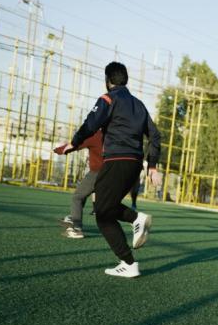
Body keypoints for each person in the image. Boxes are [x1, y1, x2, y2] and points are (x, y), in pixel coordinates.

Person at [61, 61, 162, 278]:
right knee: (105, 209)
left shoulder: (108, 98)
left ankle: (134, 229)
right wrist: (152, 165)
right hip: (135, 164)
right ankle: (129, 261)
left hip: (116, 160)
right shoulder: (139, 105)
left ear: (108, 81)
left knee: (102, 213)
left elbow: (91, 123)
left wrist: (74, 142)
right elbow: (155, 136)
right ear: (126, 79)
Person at [54, 130, 103, 239]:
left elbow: (75, 144)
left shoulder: (95, 135)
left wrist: (59, 150)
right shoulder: (115, 134)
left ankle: (76, 228)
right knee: (85, 194)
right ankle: (74, 216)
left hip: (98, 172)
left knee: (77, 197)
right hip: (115, 172)